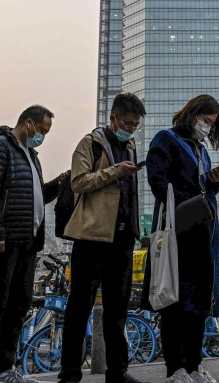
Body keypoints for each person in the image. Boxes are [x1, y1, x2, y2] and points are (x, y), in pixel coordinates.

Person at [0, 105, 67, 383]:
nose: (43, 136)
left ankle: (6, 369)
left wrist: (59, 183)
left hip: (27, 243)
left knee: (18, 306)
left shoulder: (31, 156)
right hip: (3, 241)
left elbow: (35, 196)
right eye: (42, 130)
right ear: (28, 123)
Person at [59, 93, 146, 383]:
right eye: (127, 123)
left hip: (123, 238)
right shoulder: (90, 143)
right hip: (92, 236)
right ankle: (70, 373)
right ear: (113, 118)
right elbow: (78, 181)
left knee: (117, 310)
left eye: (135, 125)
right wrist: (114, 171)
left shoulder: (130, 146)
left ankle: (117, 372)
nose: (131, 129)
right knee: (79, 307)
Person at [144, 95, 219, 383]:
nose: (207, 127)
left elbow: (205, 190)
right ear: (191, 115)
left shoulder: (201, 150)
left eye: (212, 124)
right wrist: (190, 195)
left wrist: (213, 182)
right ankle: (174, 368)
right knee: (175, 302)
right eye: (205, 120)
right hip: (177, 232)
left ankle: (194, 365)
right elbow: (158, 183)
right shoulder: (166, 139)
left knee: (199, 303)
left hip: (203, 233)